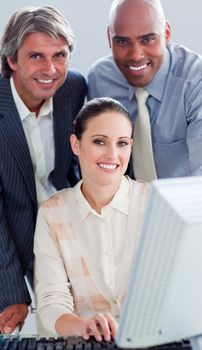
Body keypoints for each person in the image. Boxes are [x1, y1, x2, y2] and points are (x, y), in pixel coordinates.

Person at [0, 5, 87, 334]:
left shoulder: (75, 89)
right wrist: (9, 290)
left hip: (63, 228)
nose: (50, 69)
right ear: (12, 60)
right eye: (36, 56)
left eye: (60, 55)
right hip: (9, 231)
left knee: (78, 330)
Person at [34, 97, 150, 340]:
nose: (112, 155)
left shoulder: (155, 204)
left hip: (149, 340)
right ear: (75, 144)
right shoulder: (52, 213)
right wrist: (82, 326)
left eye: (122, 143)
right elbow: (51, 300)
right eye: (99, 142)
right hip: (83, 343)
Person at [87, 0, 202, 180]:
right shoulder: (101, 79)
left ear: (167, 33)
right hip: (125, 203)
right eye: (123, 42)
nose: (136, 55)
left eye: (148, 40)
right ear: (109, 38)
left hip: (186, 204)